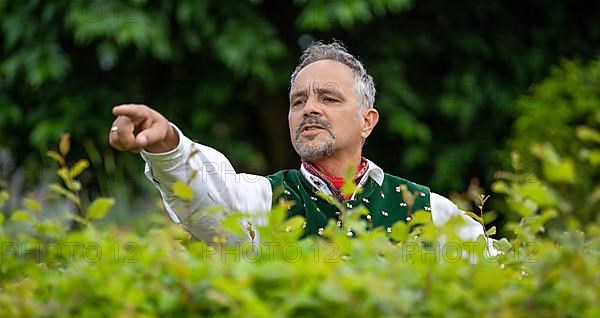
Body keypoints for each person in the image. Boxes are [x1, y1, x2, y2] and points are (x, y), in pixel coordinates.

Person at [108, 41, 490, 246]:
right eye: (298, 101)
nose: (309, 109)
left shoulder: (427, 208)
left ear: (367, 122)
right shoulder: (265, 201)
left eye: (328, 98)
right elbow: (207, 194)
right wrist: (167, 145)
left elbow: (503, 272)